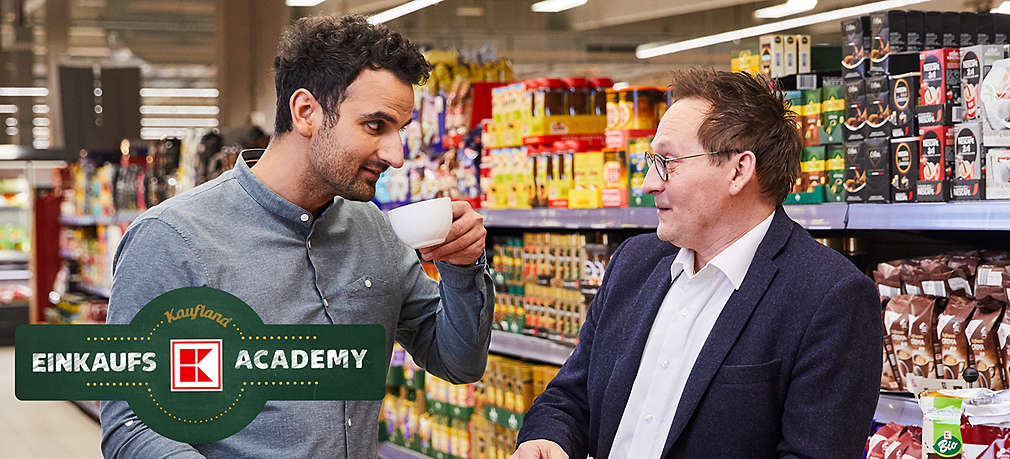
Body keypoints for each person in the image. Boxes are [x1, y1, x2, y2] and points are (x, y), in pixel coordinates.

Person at [101, 15, 494, 458]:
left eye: (399, 130)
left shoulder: (376, 232)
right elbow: (133, 426)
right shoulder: (173, 240)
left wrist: (463, 268)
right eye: (375, 126)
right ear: (306, 112)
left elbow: (458, 362)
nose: (396, 155)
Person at [513, 69, 882, 459]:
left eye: (668, 161)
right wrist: (548, 439)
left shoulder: (829, 297)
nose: (648, 183)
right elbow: (570, 396)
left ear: (738, 170)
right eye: (652, 160)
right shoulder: (633, 264)